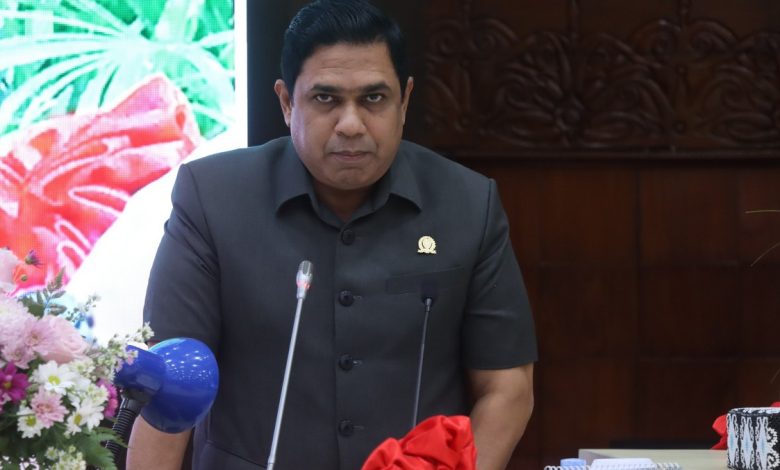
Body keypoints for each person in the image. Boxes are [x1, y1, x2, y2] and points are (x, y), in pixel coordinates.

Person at [127, 1, 537, 469]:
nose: (351, 124)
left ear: (404, 100)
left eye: (373, 99)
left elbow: (507, 388)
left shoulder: (468, 204)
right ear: (286, 102)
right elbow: (167, 387)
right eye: (326, 99)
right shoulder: (212, 199)